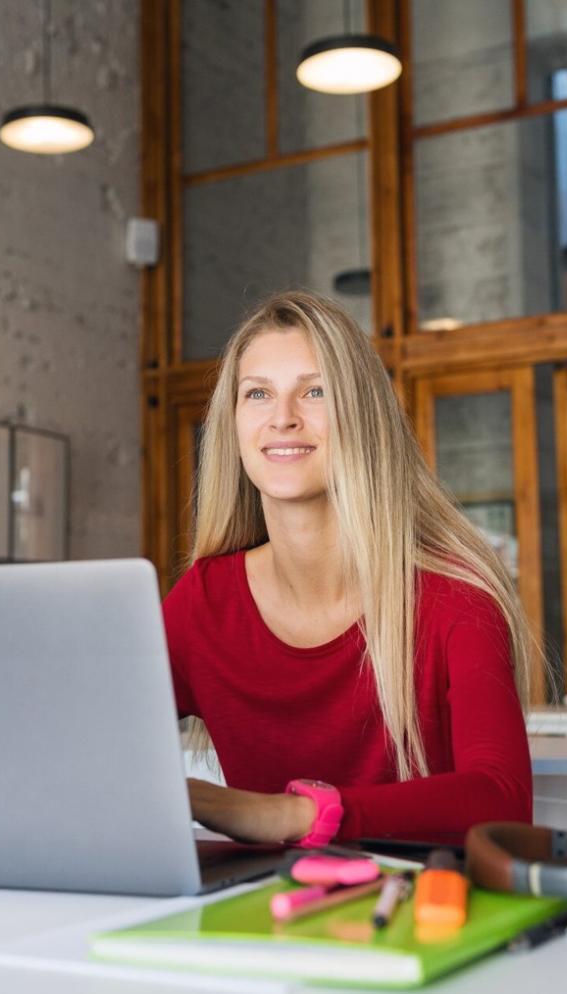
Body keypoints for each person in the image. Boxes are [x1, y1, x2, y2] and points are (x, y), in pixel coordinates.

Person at [163, 289, 535, 850]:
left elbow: (503, 797)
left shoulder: (454, 598)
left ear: (362, 416)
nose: (283, 418)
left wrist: (292, 816)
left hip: (421, 894)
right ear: (233, 425)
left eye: (315, 391)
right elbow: (95, 739)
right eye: (258, 393)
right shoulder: (206, 600)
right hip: (261, 901)